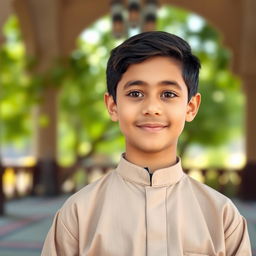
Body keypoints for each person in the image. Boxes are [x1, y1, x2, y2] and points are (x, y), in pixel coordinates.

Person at [41, 31, 252, 256]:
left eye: (168, 94)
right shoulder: (78, 214)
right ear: (112, 106)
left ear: (191, 107)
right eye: (135, 93)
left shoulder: (221, 216)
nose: (152, 107)